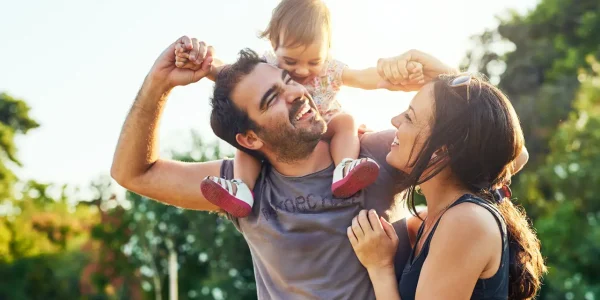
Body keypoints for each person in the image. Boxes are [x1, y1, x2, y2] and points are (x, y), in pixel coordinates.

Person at [110, 34, 456, 298]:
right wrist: (159, 82)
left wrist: (446, 76)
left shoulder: (377, 153)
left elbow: (503, 157)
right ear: (249, 139)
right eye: (271, 98)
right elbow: (133, 173)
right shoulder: (241, 188)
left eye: (288, 82)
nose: (295, 93)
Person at [172, 0, 425, 217]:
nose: (302, 71)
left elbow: (361, 77)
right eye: (291, 62)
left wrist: (390, 79)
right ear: (273, 44)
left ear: (327, 49)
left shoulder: (330, 69)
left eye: (314, 61)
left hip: (324, 123)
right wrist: (200, 60)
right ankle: (241, 189)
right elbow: (228, 74)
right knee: (248, 145)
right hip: (284, 133)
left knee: (346, 121)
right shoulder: (266, 66)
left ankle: (345, 168)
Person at [347, 73, 546, 299]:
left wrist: (380, 268)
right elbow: (501, 146)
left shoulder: (466, 221)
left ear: (441, 150)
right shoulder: (433, 219)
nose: (395, 120)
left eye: (409, 118)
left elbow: (503, 144)